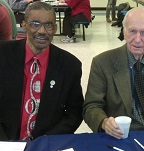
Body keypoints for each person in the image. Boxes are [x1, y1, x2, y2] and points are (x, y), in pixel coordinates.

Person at [83, 7, 144, 139]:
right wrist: (104, 122)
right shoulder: (102, 63)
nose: (137, 39)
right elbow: (91, 107)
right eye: (132, 31)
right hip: (120, 136)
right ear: (124, 32)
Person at [0, 1, 84, 141]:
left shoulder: (70, 65)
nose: (42, 31)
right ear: (24, 25)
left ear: (55, 28)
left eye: (48, 25)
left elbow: (74, 113)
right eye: (35, 24)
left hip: (47, 143)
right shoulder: (3, 55)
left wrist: (48, 140)